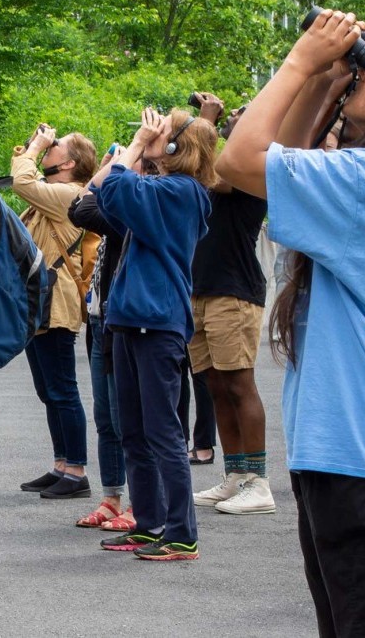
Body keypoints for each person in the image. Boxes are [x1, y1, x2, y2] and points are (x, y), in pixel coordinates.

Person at [215, 7, 365, 636]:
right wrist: (323, 84)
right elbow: (277, 165)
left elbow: (240, 162)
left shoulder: (363, 182)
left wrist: (300, 62)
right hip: (342, 454)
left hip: (356, 460)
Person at [90, 107, 215, 561]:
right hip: (133, 318)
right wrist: (138, 149)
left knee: (162, 432)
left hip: (156, 320)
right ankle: (148, 522)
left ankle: (181, 532)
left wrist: (139, 145)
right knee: (135, 432)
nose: (153, 134)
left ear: (180, 146)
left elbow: (117, 185)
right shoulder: (163, 191)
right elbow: (99, 191)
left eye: (165, 131)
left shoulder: (182, 192)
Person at [188, 93, 275, 515]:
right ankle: (236, 475)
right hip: (201, 287)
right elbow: (190, 170)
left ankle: (260, 482)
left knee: (240, 384)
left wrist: (205, 122)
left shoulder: (251, 166)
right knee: (215, 385)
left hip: (234, 289)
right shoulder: (221, 159)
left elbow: (211, 174)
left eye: (241, 117)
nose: (231, 119)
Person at [13, 125, 95, 500]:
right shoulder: (50, 196)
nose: (47, 150)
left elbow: (22, 182)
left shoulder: (70, 193)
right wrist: (33, 148)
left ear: (70, 163)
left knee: (62, 389)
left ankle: (76, 470)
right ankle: (61, 463)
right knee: (48, 390)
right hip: (38, 301)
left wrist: (34, 148)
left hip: (56, 303)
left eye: (54, 148)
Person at [68, 150, 131, 529]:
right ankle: (111, 497)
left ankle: (141, 502)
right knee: (106, 417)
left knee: (128, 421)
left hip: (122, 323)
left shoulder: (138, 205)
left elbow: (82, 208)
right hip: (99, 321)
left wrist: (123, 159)